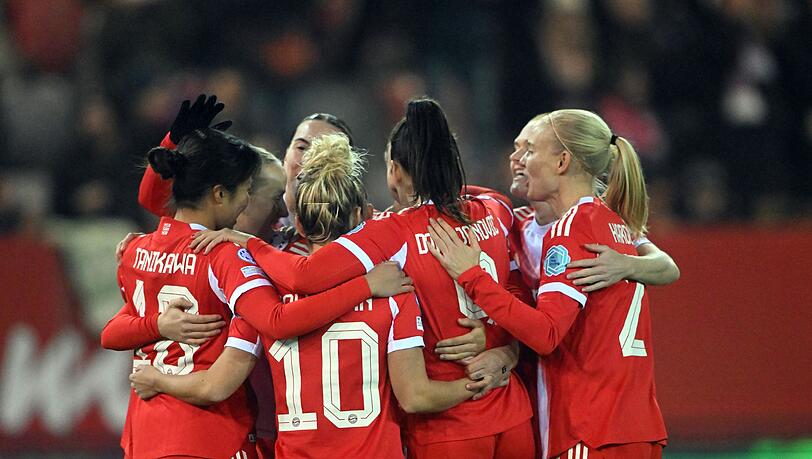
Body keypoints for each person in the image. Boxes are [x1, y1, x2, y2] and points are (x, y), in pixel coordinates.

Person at [190, 98, 535, 459]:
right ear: (361, 211)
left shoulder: (385, 237)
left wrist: (248, 244)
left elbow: (303, 278)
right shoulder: (495, 209)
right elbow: (520, 291)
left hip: (444, 429)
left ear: (396, 171)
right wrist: (505, 347)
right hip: (507, 409)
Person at [130, 133, 482, 458]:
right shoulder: (394, 287)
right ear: (364, 215)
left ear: (297, 223)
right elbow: (416, 395)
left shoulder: (262, 285)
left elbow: (223, 375)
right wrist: (487, 368)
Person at [427, 109, 668, 459]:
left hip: (588, 425)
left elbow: (546, 333)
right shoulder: (614, 222)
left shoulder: (570, 228)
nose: (517, 159)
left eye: (529, 150)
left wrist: (472, 276)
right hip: (632, 426)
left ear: (562, 162)